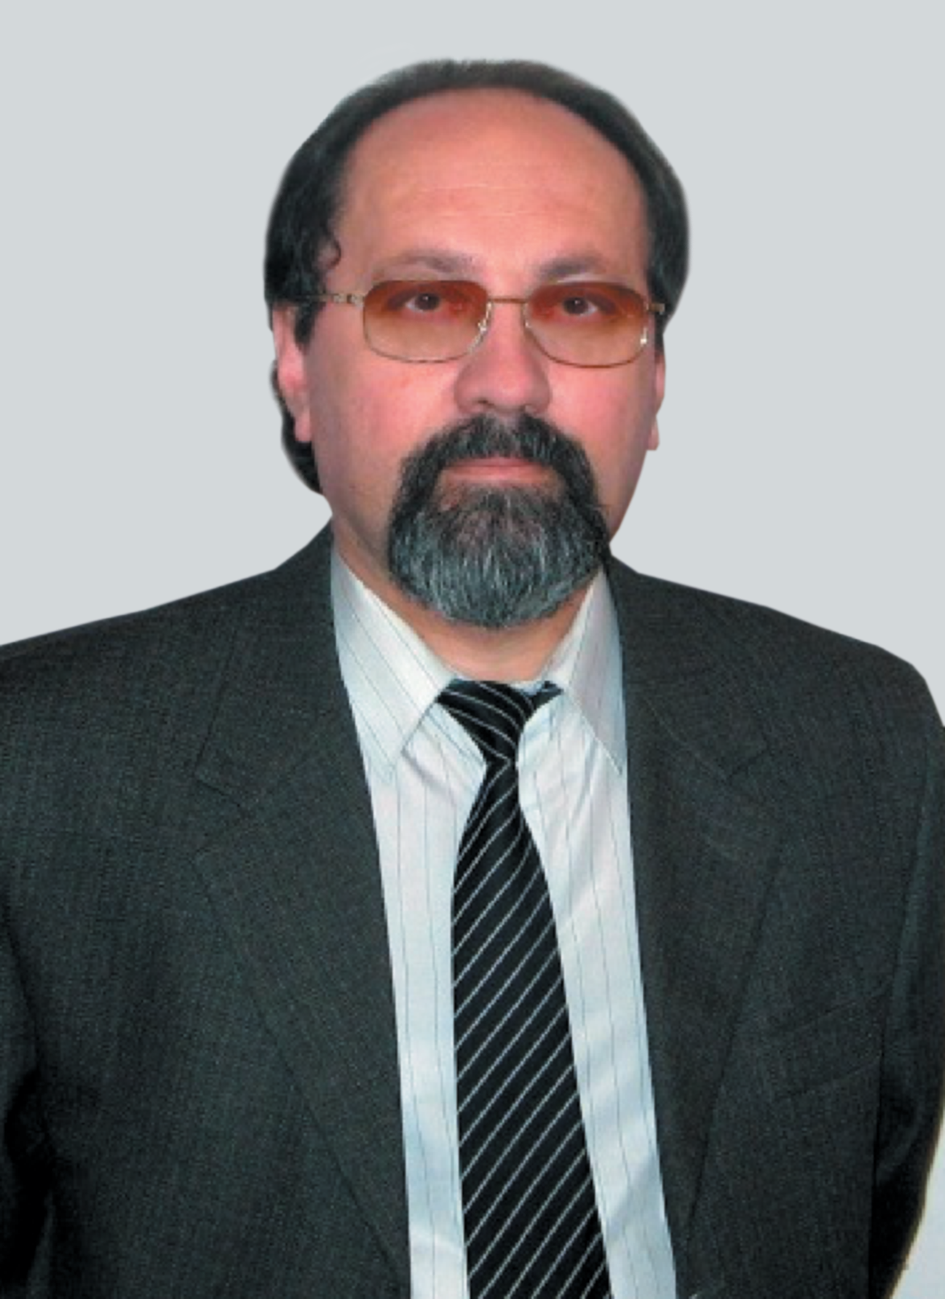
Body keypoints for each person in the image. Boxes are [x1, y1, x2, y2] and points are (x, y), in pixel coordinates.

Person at [1, 58, 942, 1299]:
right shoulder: (42, 767)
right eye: (426, 302)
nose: (508, 381)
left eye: (582, 306)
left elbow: (860, 1205)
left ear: (656, 377)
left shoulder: (863, 742)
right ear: (296, 361)